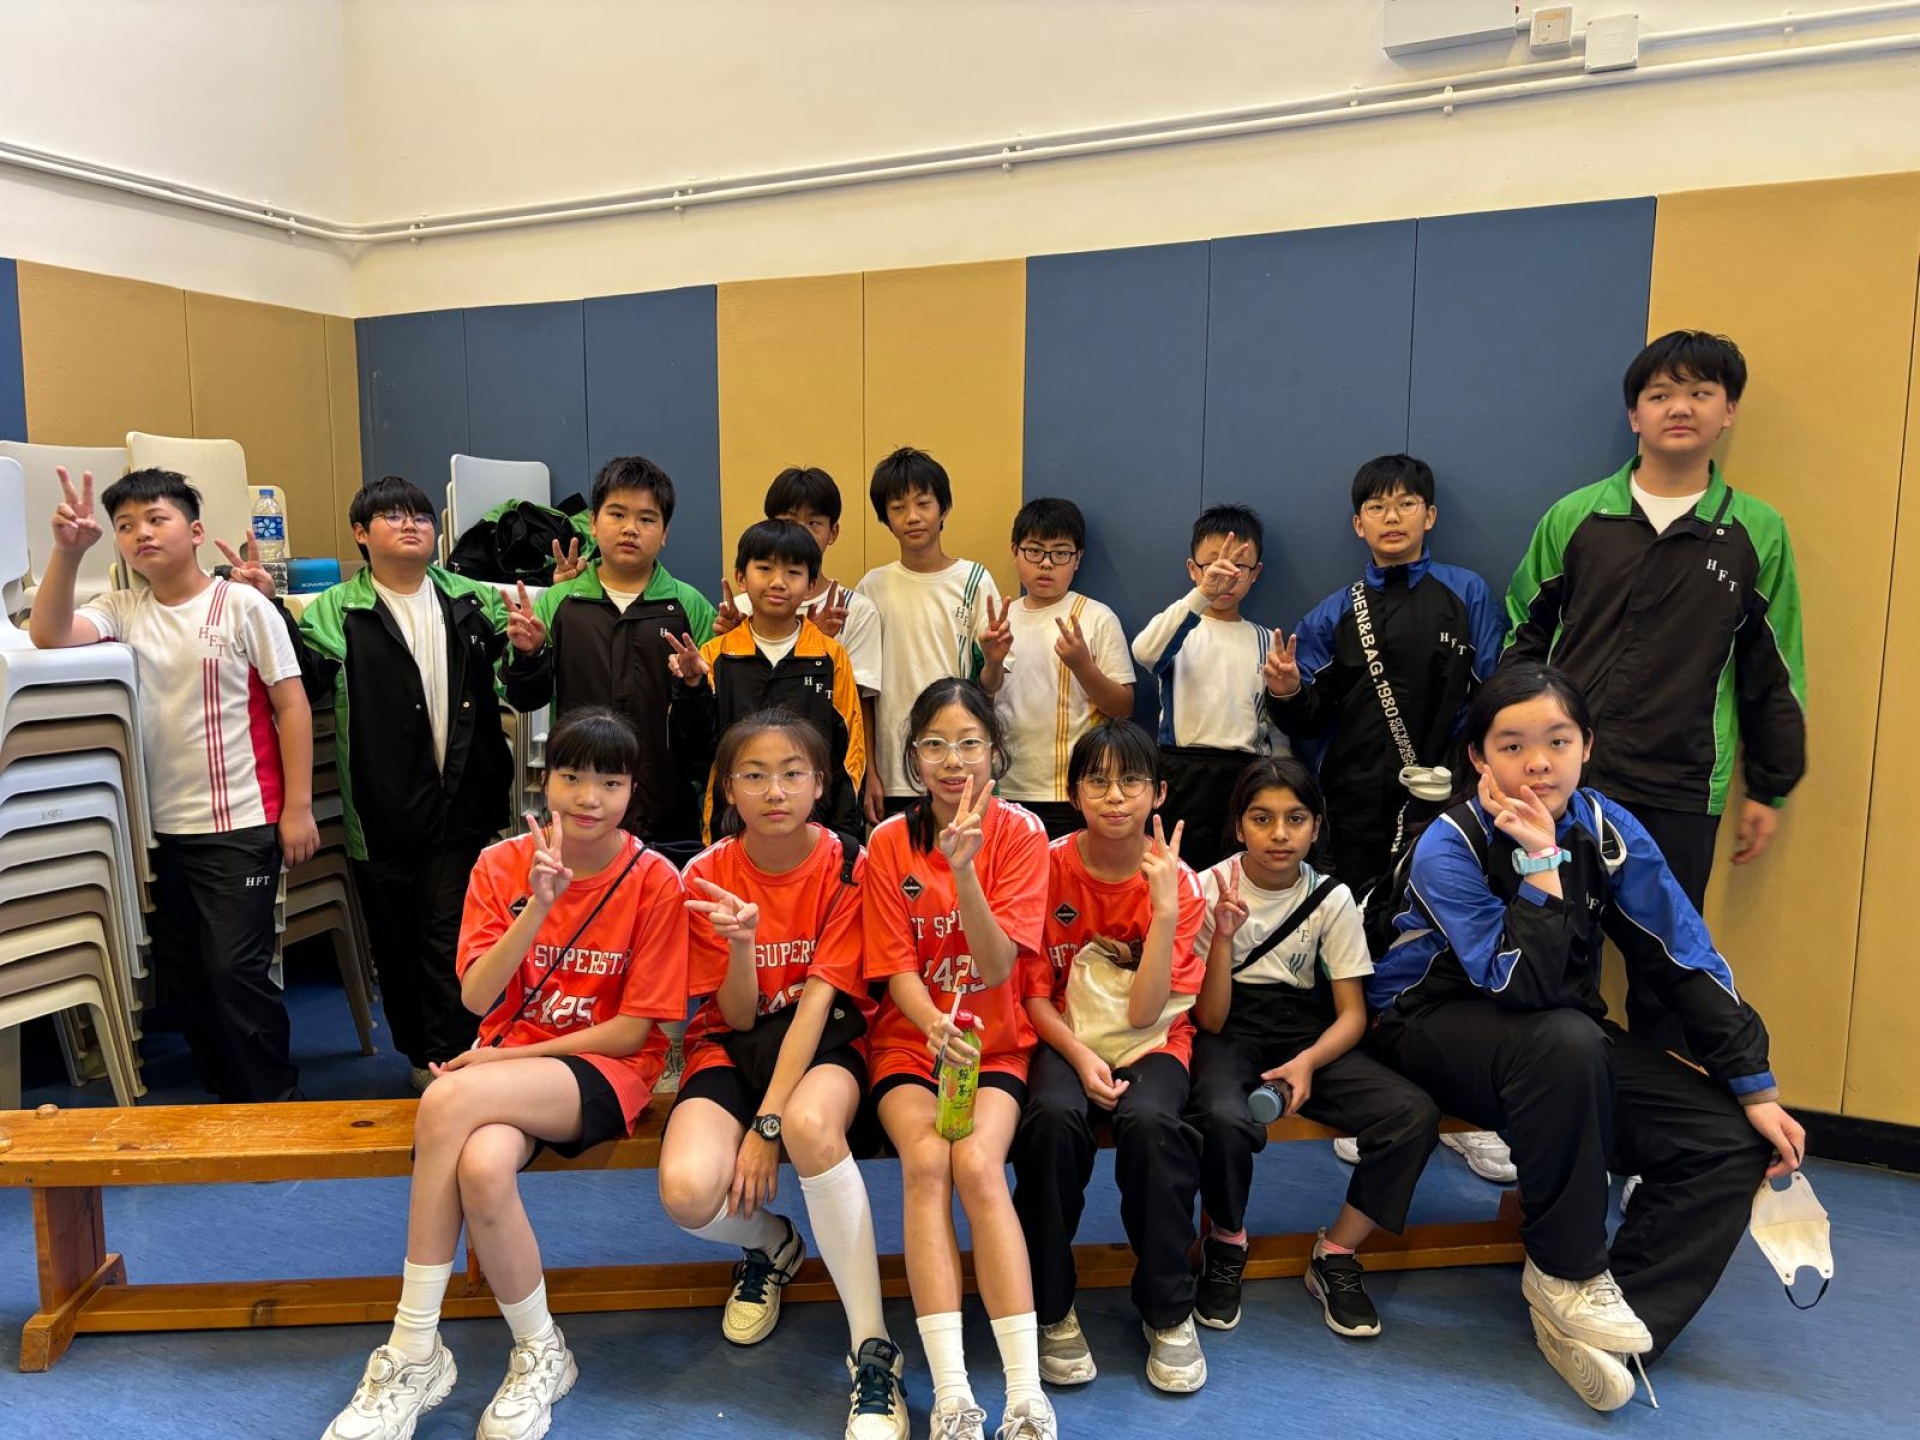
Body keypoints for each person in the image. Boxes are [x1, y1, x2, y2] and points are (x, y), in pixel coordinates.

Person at [1366, 664, 1804, 1412]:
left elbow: (1682, 955)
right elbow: (1519, 985)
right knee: (1568, 1040)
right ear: (1479, 758)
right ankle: (1565, 1272)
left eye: (1558, 741)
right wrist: (1540, 861)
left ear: (1587, 746)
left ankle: (1614, 1329)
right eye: (1512, 745)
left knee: (1725, 1139)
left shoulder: (1607, 829)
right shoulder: (1451, 843)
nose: (1538, 763)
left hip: (1555, 1042)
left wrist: (1753, 1084)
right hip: (1428, 1024)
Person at [322, 707, 689, 1440]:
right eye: (572, 777)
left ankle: (412, 1346)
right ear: (545, 781)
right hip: (508, 1061)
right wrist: (538, 906)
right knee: (483, 1169)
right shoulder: (500, 865)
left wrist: (499, 1060)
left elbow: (632, 1031)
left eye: (609, 782)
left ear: (632, 790)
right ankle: (542, 1349)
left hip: (604, 1068)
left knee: (445, 1099)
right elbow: (475, 996)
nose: (588, 798)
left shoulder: (654, 880)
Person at [1503, 332, 1806, 1052]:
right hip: (1562, 783)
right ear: (1634, 414)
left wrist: (1770, 787)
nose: (1681, 407)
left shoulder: (1756, 532)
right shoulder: (1576, 516)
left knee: (1665, 972)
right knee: (1550, 947)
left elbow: (1774, 669)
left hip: (1681, 783)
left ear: (1728, 411)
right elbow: (1521, 638)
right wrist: (1505, 752)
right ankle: (1555, 1103)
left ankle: (1653, 1120)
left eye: (1701, 392)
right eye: (1661, 394)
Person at [656, 709, 906, 1440]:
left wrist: (767, 1127)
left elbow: (818, 1005)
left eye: (793, 773)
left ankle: (873, 1350)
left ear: (821, 783)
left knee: (808, 1126)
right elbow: (735, 1016)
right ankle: (772, 1244)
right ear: (727, 788)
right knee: (686, 1192)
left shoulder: (848, 862)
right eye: (755, 775)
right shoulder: (705, 875)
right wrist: (742, 943)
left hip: (823, 1039)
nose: (775, 791)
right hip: (732, 1044)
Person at [29, 466, 315, 1102]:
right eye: (125, 525)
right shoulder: (122, 608)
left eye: (157, 519)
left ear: (195, 531)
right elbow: (49, 636)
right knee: (185, 977)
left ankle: (274, 1102)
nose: (141, 533)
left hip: (241, 822)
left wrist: (297, 808)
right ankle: (225, 1099)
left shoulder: (242, 604)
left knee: (235, 972)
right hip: (160, 831)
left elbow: (291, 704)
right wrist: (67, 553)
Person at [1262, 454, 1510, 1184]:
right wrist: (1285, 691)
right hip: (1356, 806)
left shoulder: (1467, 593)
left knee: (1457, 944)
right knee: (1359, 946)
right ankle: (1374, 1103)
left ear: (1429, 516)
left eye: (1406, 503)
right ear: (1357, 523)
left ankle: (1468, 1111)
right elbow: (1307, 717)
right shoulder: (1333, 612)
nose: (1392, 516)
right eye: (1377, 506)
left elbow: (1494, 696)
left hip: (1454, 806)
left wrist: (1476, 781)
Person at [287, 474, 544, 1091]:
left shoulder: (471, 600)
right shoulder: (335, 611)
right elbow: (304, 685)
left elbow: (526, 691)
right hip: (381, 809)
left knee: (451, 933)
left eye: (422, 516)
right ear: (361, 533)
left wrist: (531, 653)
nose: (411, 525)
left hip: (467, 800)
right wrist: (265, 608)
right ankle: (420, 1055)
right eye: (394, 516)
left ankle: (454, 1055)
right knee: (397, 940)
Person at [1185, 757, 1441, 1341]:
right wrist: (1222, 937)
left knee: (1411, 1115)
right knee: (1221, 1116)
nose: (1279, 834)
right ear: (1238, 825)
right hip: (1229, 1030)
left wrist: (1307, 1063)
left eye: (1295, 818)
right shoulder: (1207, 886)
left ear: (1316, 826)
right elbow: (1210, 1018)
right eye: (1262, 818)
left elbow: (1352, 1015)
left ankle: (1337, 1253)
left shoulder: (1332, 897)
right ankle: (1227, 1239)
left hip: (1306, 1032)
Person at [863, 680, 1057, 1440]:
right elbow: (895, 968)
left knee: (977, 1166)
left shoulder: (1023, 834)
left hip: (995, 1043)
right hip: (911, 1043)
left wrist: (965, 869)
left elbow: (1000, 963)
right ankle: (951, 1394)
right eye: (935, 745)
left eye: (970, 743)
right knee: (925, 1164)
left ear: (995, 753)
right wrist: (931, 1024)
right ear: (913, 758)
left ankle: (1024, 1393)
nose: (953, 761)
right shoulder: (888, 842)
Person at [1012, 720, 1208, 1393]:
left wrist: (1163, 912)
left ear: (1159, 794)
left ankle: (1168, 1310)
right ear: (1073, 794)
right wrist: (1078, 1056)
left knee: (1153, 1126)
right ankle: (1050, 1306)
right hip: (1063, 1032)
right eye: (1097, 781)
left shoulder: (1182, 884)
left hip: (1153, 1039)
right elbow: (1032, 996)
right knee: (1050, 1119)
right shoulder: (1045, 867)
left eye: (1132, 781)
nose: (1115, 796)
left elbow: (1148, 1014)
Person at [512, 455, 717, 864]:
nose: (630, 528)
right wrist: (529, 655)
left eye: (646, 518)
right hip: (580, 802)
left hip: (667, 805)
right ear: (592, 522)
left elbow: (706, 730)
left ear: (665, 533)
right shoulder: (559, 602)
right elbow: (526, 698)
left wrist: (694, 685)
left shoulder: (689, 605)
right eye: (617, 514)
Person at [666, 520, 866, 836]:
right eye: (764, 568)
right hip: (731, 828)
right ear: (741, 578)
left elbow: (848, 755)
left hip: (814, 831)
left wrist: (843, 838)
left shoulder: (830, 656)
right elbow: (694, 751)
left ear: (810, 586)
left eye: (793, 572)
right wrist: (691, 687)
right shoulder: (716, 655)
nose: (778, 582)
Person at [714, 466, 884, 806]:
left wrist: (870, 774)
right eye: (789, 520)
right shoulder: (741, 607)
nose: (800, 532)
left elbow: (857, 707)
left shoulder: (856, 609)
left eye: (813, 522)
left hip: (816, 778)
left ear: (833, 532)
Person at [854, 448, 1003, 824]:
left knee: (963, 855)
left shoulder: (974, 580)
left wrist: (995, 659)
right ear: (885, 518)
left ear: (944, 508)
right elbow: (864, 693)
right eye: (898, 507)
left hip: (959, 766)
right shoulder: (872, 587)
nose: (913, 517)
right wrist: (870, 770)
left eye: (923, 503)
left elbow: (989, 687)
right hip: (894, 769)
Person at [1130, 503, 1280, 870]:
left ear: (1256, 573)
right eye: (1214, 564)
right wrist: (1201, 594)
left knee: (1237, 874)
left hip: (1245, 772)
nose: (1227, 575)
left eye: (1239, 566)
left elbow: (1274, 725)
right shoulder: (1180, 626)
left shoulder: (1265, 639)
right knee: (1180, 873)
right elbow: (1145, 651)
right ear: (1192, 569)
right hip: (1182, 771)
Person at [989, 500, 1136, 840]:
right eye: (1034, 551)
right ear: (1015, 551)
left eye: (1060, 553)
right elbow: (981, 698)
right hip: (1005, 785)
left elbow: (1123, 707)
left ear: (1078, 558)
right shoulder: (1000, 619)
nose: (1046, 563)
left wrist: (1083, 667)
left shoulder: (1096, 617)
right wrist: (993, 660)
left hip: (1074, 790)